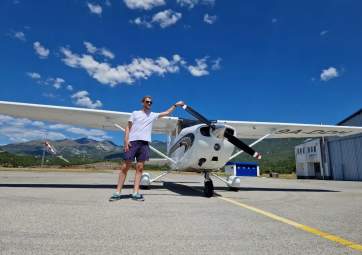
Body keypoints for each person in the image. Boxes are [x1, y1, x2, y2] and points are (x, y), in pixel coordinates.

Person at [109, 96, 185, 201]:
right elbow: (128, 127)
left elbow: (166, 113)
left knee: (140, 168)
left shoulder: (152, 115)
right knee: (125, 167)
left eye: (151, 102)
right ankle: (117, 192)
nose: (149, 103)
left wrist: (175, 105)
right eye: (147, 101)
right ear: (142, 102)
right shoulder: (135, 113)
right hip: (133, 142)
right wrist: (126, 141)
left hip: (144, 144)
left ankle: (135, 193)